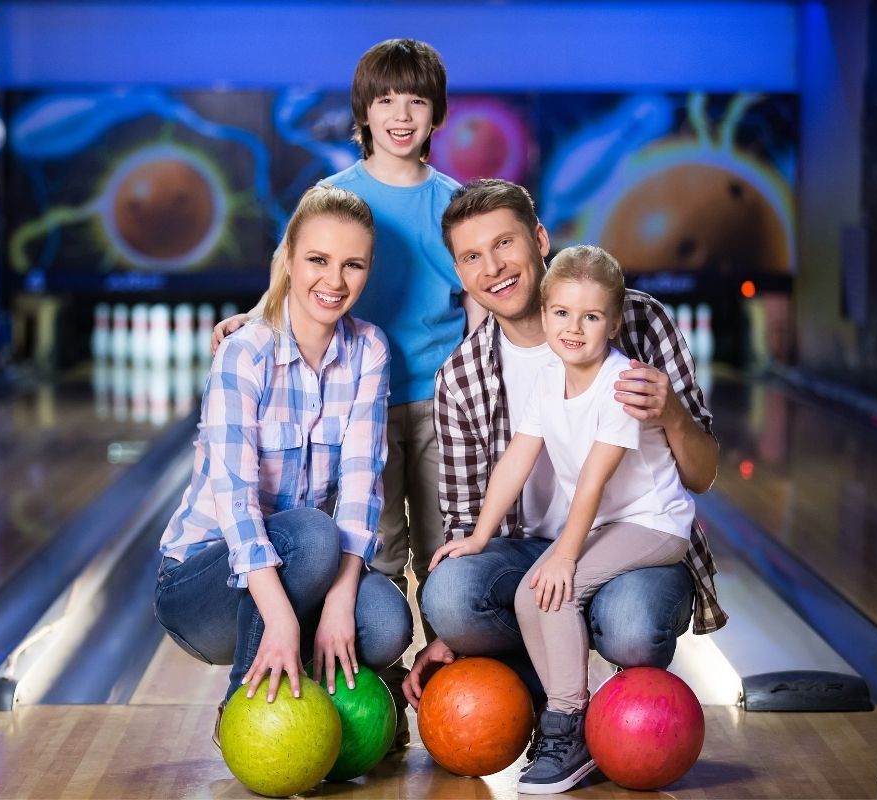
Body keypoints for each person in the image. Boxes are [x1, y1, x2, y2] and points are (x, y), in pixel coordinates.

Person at [211, 39, 482, 747]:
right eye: (386, 100)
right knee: (381, 555)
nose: (401, 115)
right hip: (358, 401)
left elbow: (478, 308)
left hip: (441, 405)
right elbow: (292, 273)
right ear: (361, 112)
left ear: (436, 114)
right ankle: (382, 698)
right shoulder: (336, 195)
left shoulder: (453, 203)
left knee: (448, 552)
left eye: (416, 101)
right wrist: (254, 316)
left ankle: (464, 700)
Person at [403, 178, 726, 751]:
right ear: (459, 273)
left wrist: (672, 413)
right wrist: (450, 625)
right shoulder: (461, 377)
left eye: (505, 243)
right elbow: (483, 493)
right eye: (472, 256)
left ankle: (574, 706)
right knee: (449, 596)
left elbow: (700, 475)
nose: (493, 267)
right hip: (533, 550)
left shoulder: (637, 326)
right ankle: (562, 690)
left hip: (633, 539)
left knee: (630, 629)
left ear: (540, 240)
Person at [428, 244, 695, 794]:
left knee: (555, 590)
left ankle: (569, 721)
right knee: (531, 593)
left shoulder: (620, 384)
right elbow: (515, 461)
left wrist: (564, 559)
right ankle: (570, 717)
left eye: (591, 317)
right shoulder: (552, 378)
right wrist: (478, 536)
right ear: (545, 313)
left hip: (654, 524)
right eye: (562, 314)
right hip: (607, 526)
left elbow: (593, 482)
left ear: (614, 323)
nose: (574, 328)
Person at [154, 185, 413, 750]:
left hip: (303, 563)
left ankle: (307, 701)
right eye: (318, 260)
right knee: (312, 532)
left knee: (386, 622)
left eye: (353, 265)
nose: (335, 281)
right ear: (290, 257)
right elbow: (237, 506)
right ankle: (241, 716)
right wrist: (283, 620)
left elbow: (361, 490)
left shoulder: (370, 350)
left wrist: (341, 601)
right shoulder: (244, 353)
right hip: (201, 586)